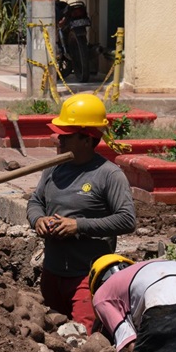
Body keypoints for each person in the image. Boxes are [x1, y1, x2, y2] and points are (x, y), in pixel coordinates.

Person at [25, 94, 136, 333]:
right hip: (52, 272)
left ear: (87, 139)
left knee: (80, 338)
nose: (59, 140)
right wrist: (38, 219)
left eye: (66, 136)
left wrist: (79, 225)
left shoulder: (108, 174)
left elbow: (127, 219)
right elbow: (36, 201)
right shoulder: (54, 169)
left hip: (87, 277)